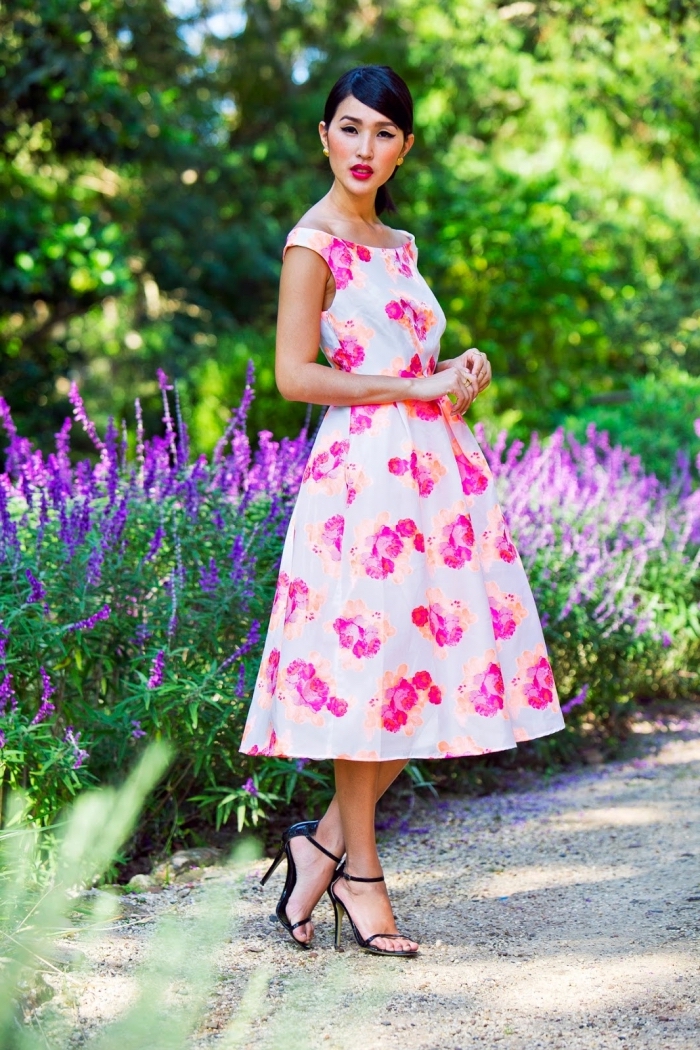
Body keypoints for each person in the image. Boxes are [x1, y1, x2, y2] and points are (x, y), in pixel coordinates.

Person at [240, 65, 565, 957]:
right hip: (362, 490)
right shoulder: (313, 245)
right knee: (368, 680)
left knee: (419, 672)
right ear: (324, 135)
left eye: (384, 134)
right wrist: (408, 384)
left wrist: (458, 367)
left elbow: (414, 358)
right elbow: (296, 377)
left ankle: (321, 851)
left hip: (436, 483)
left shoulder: (401, 244)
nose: (364, 149)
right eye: (350, 128)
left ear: (404, 149)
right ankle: (363, 877)